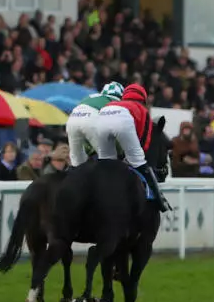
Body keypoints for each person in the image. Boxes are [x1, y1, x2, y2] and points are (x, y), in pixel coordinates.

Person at [94, 83, 170, 212]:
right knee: (139, 161)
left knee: (105, 162)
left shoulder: (113, 103)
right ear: (143, 100)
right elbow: (143, 138)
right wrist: (138, 157)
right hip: (123, 121)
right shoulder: (141, 109)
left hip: (102, 116)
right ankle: (160, 200)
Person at [67, 81, 125, 167]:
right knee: (109, 160)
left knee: (77, 161)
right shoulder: (118, 103)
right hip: (92, 119)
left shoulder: (91, 96)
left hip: (73, 118)